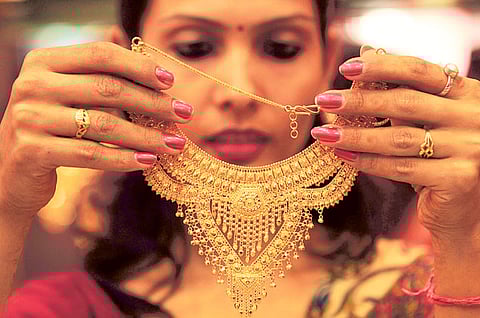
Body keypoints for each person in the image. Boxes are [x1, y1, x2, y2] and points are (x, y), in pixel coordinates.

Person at [1, 0, 480, 317]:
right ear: (124, 62)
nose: (243, 92)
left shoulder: (428, 289)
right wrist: (6, 211)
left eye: (281, 48)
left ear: (328, 57)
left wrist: (465, 240)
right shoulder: (67, 308)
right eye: (194, 48)